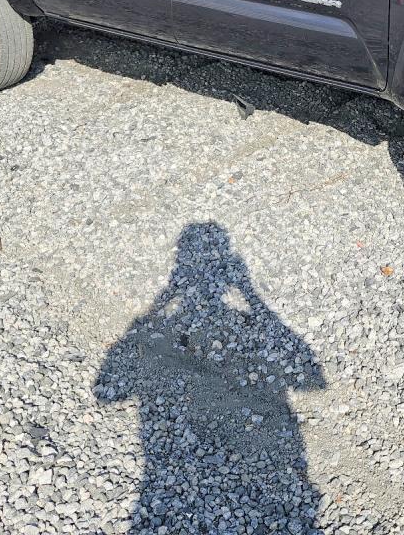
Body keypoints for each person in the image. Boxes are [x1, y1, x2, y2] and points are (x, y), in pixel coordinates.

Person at [97, 223, 325, 532]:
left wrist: (157, 309)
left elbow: (107, 391)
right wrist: (252, 297)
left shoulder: (164, 323)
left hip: (162, 474)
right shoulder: (238, 320)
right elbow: (311, 379)